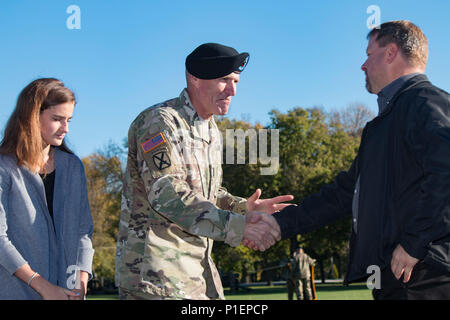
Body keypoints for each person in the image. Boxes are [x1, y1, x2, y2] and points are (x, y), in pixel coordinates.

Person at [252, 20, 450, 300]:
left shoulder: (428, 103)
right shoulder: (383, 124)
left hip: (424, 274)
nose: (363, 65)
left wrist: (415, 243)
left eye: (369, 55)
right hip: (395, 275)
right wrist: (281, 224)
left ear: (391, 53)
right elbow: (346, 192)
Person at [115, 42, 292, 300]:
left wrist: (244, 208)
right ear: (195, 79)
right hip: (157, 280)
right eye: (224, 80)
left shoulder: (210, 131)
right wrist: (237, 227)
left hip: (197, 275)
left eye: (236, 82)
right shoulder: (159, 122)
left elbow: (208, 193)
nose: (232, 90)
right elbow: (167, 193)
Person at [0, 78, 95, 300]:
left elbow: (84, 230)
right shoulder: (4, 167)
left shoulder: (73, 166)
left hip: (67, 291)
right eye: (57, 119)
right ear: (32, 117)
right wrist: (42, 286)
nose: (66, 129)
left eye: (69, 120)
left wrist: (81, 281)